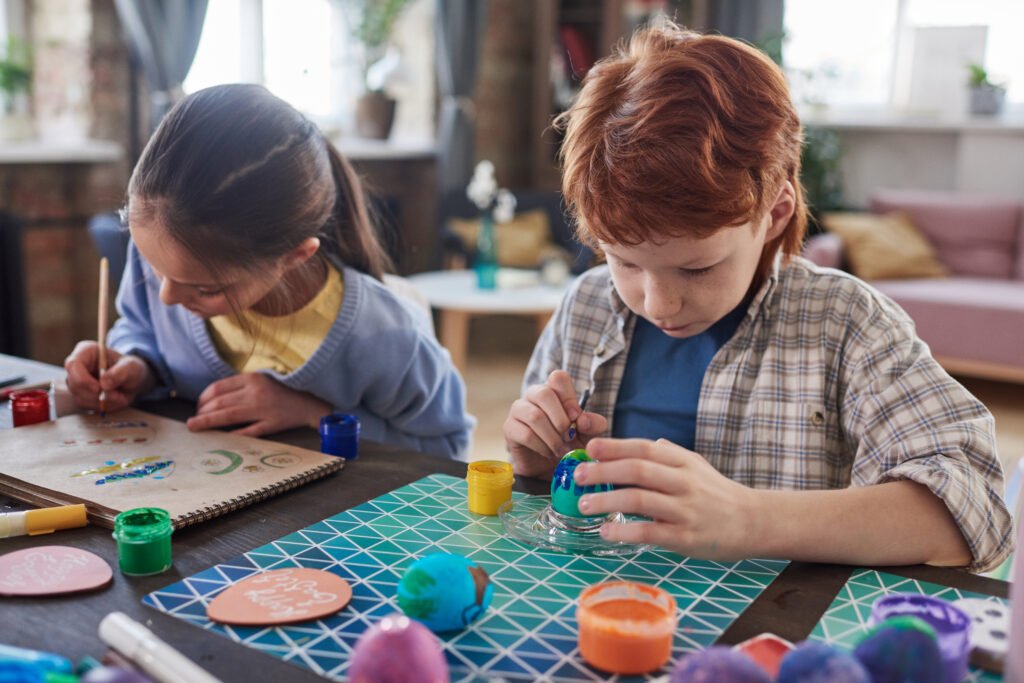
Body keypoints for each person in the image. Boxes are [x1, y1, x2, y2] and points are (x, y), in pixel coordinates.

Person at [503, 25, 1012, 571]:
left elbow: (975, 508)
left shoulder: (847, 324)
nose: (657, 304)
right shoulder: (587, 307)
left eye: (697, 267)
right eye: (623, 261)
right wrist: (534, 457)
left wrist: (749, 519)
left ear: (774, 213)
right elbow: (545, 489)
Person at [65, 84, 473, 460]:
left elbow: (446, 447)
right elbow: (141, 329)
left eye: (205, 288)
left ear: (295, 255)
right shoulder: (167, 254)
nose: (167, 297)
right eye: (156, 271)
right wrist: (135, 366)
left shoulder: (385, 333)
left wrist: (316, 413)